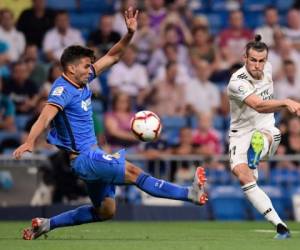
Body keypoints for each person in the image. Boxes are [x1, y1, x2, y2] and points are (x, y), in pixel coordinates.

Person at [13, 7, 208, 240]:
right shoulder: (62, 90)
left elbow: (114, 56)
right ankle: (190, 193)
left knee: (105, 211)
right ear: (71, 68)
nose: (90, 70)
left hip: (90, 158)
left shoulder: (82, 81)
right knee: (134, 172)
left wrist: (129, 34)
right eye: (86, 66)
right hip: (84, 158)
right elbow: (45, 116)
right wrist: (29, 141)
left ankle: (47, 224)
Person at [227, 34, 300, 239]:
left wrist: (258, 39)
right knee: (244, 177)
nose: (257, 65)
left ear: (266, 61)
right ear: (245, 58)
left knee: (268, 134)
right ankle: (280, 226)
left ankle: (258, 149)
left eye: (261, 61)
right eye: (253, 60)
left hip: (266, 129)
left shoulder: (267, 69)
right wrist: (286, 101)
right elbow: (258, 105)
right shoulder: (237, 82)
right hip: (240, 134)